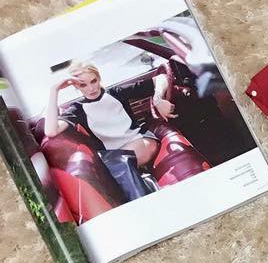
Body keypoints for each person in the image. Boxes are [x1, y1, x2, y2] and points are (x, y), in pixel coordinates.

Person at [44, 61, 175, 201]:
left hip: (141, 142)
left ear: (99, 78)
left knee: (117, 162)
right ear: (76, 86)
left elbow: (162, 78)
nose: (91, 88)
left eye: (93, 81)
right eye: (83, 85)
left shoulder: (116, 93)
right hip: (114, 158)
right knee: (111, 165)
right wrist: (54, 90)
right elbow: (51, 131)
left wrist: (157, 99)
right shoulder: (78, 109)